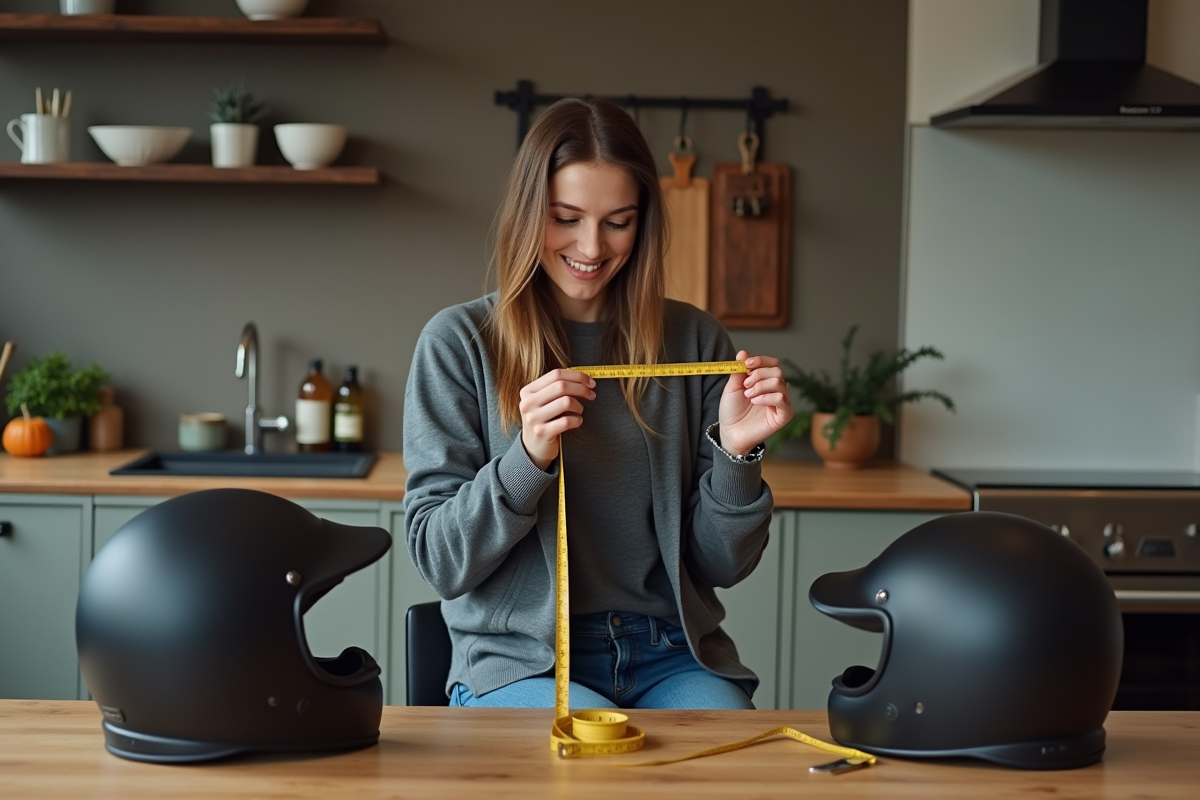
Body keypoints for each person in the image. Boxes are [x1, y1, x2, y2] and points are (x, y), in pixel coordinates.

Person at [403, 98, 793, 710]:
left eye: (618, 221)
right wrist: (525, 459)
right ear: (530, 214)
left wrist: (737, 457)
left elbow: (722, 565)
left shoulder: (694, 341)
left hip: (671, 654)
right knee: (594, 772)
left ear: (644, 224)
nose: (591, 245)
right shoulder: (459, 343)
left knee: (730, 763)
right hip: (521, 662)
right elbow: (440, 561)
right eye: (566, 217)